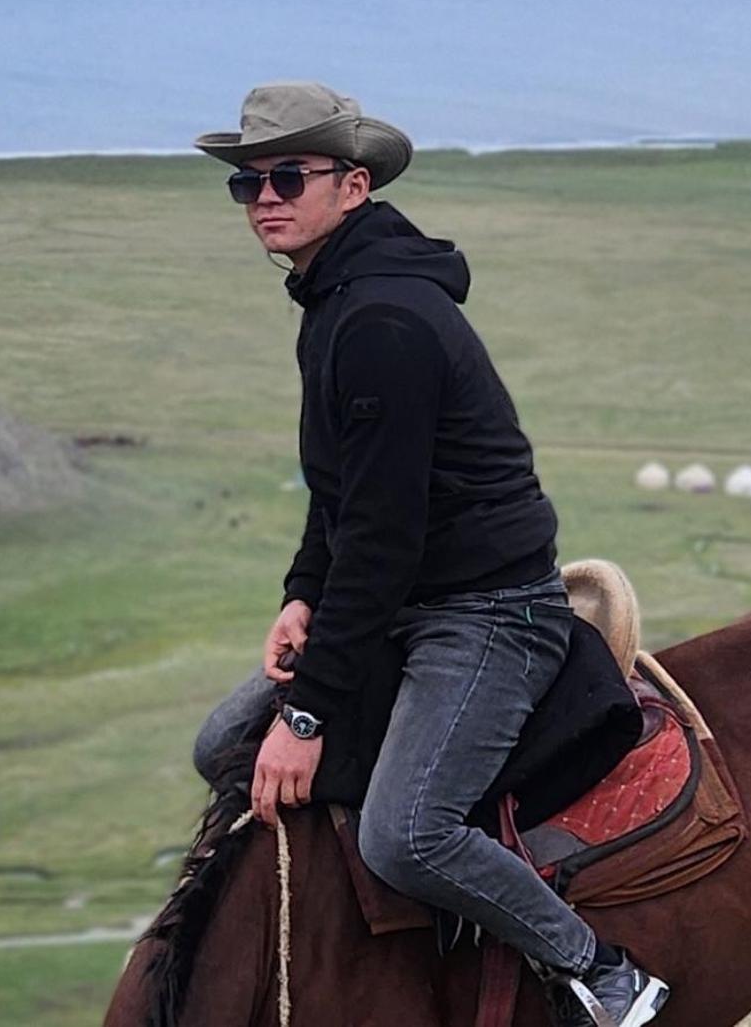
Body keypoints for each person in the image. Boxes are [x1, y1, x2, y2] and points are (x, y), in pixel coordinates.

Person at [189, 82, 668, 1027]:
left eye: (290, 175)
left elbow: (384, 535)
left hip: (486, 613)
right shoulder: (335, 299)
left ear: (354, 185)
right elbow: (346, 497)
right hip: (407, 597)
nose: (266, 199)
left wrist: (313, 712)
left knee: (406, 835)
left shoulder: (383, 324)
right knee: (221, 746)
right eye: (248, 185)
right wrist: (300, 597)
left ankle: (604, 974)